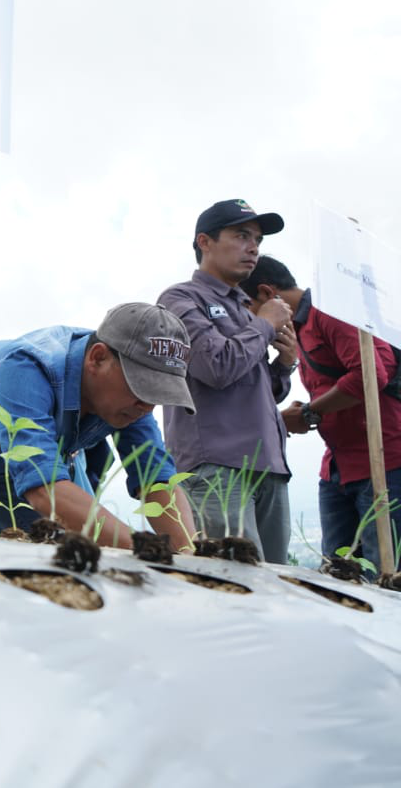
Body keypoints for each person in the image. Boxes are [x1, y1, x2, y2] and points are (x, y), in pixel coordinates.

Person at [0, 303, 198, 549]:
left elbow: (156, 480)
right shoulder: (27, 367)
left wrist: (189, 556)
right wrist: (148, 551)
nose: (147, 406)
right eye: (141, 388)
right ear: (97, 358)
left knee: (69, 547)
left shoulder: (128, 404)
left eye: (157, 395)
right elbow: (45, 489)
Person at [240, 255, 401, 572]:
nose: (246, 320)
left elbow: (373, 373)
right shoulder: (300, 328)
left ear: (265, 293)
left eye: (246, 308)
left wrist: (311, 413)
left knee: (386, 580)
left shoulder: (332, 310)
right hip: (338, 469)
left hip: (386, 462)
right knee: (339, 578)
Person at [157, 199, 295, 562]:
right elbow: (216, 368)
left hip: (268, 465)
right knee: (234, 585)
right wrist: (264, 324)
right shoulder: (180, 299)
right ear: (205, 242)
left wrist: (285, 363)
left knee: (278, 590)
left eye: (258, 240)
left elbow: (258, 390)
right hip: (217, 466)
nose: (253, 248)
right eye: (241, 235)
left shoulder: (241, 305)